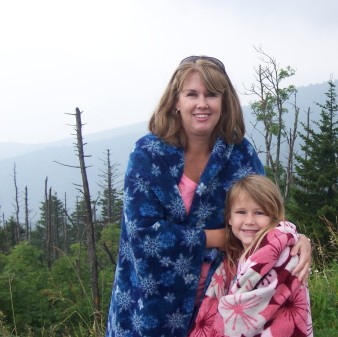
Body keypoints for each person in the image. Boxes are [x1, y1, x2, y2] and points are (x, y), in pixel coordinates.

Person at [105, 56, 312, 337]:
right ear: (176, 102)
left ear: (224, 103)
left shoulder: (240, 155)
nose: (202, 103)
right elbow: (145, 236)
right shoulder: (147, 155)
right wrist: (220, 238)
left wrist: (295, 239)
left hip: (217, 306)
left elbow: (266, 216)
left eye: (211, 95)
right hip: (148, 310)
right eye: (192, 94)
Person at [188, 175, 313, 337]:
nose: (249, 220)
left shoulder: (285, 256)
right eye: (241, 212)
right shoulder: (231, 256)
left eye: (259, 213)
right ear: (230, 218)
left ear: (274, 217)